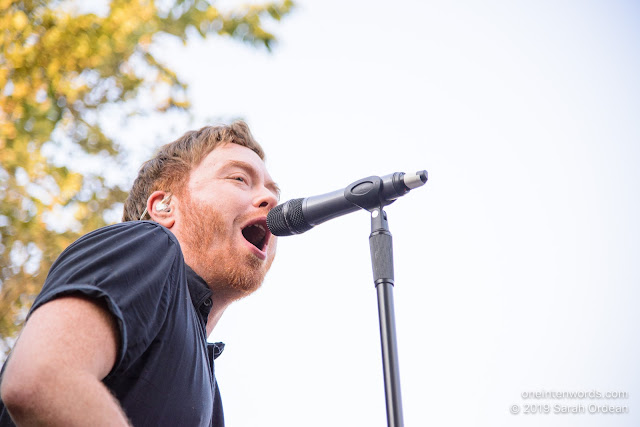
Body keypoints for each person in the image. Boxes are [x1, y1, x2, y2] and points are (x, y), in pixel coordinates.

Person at [0, 121, 279, 426]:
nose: (271, 200)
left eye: (272, 190)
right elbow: (42, 378)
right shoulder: (152, 245)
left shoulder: (211, 398)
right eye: (239, 178)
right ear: (164, 207)